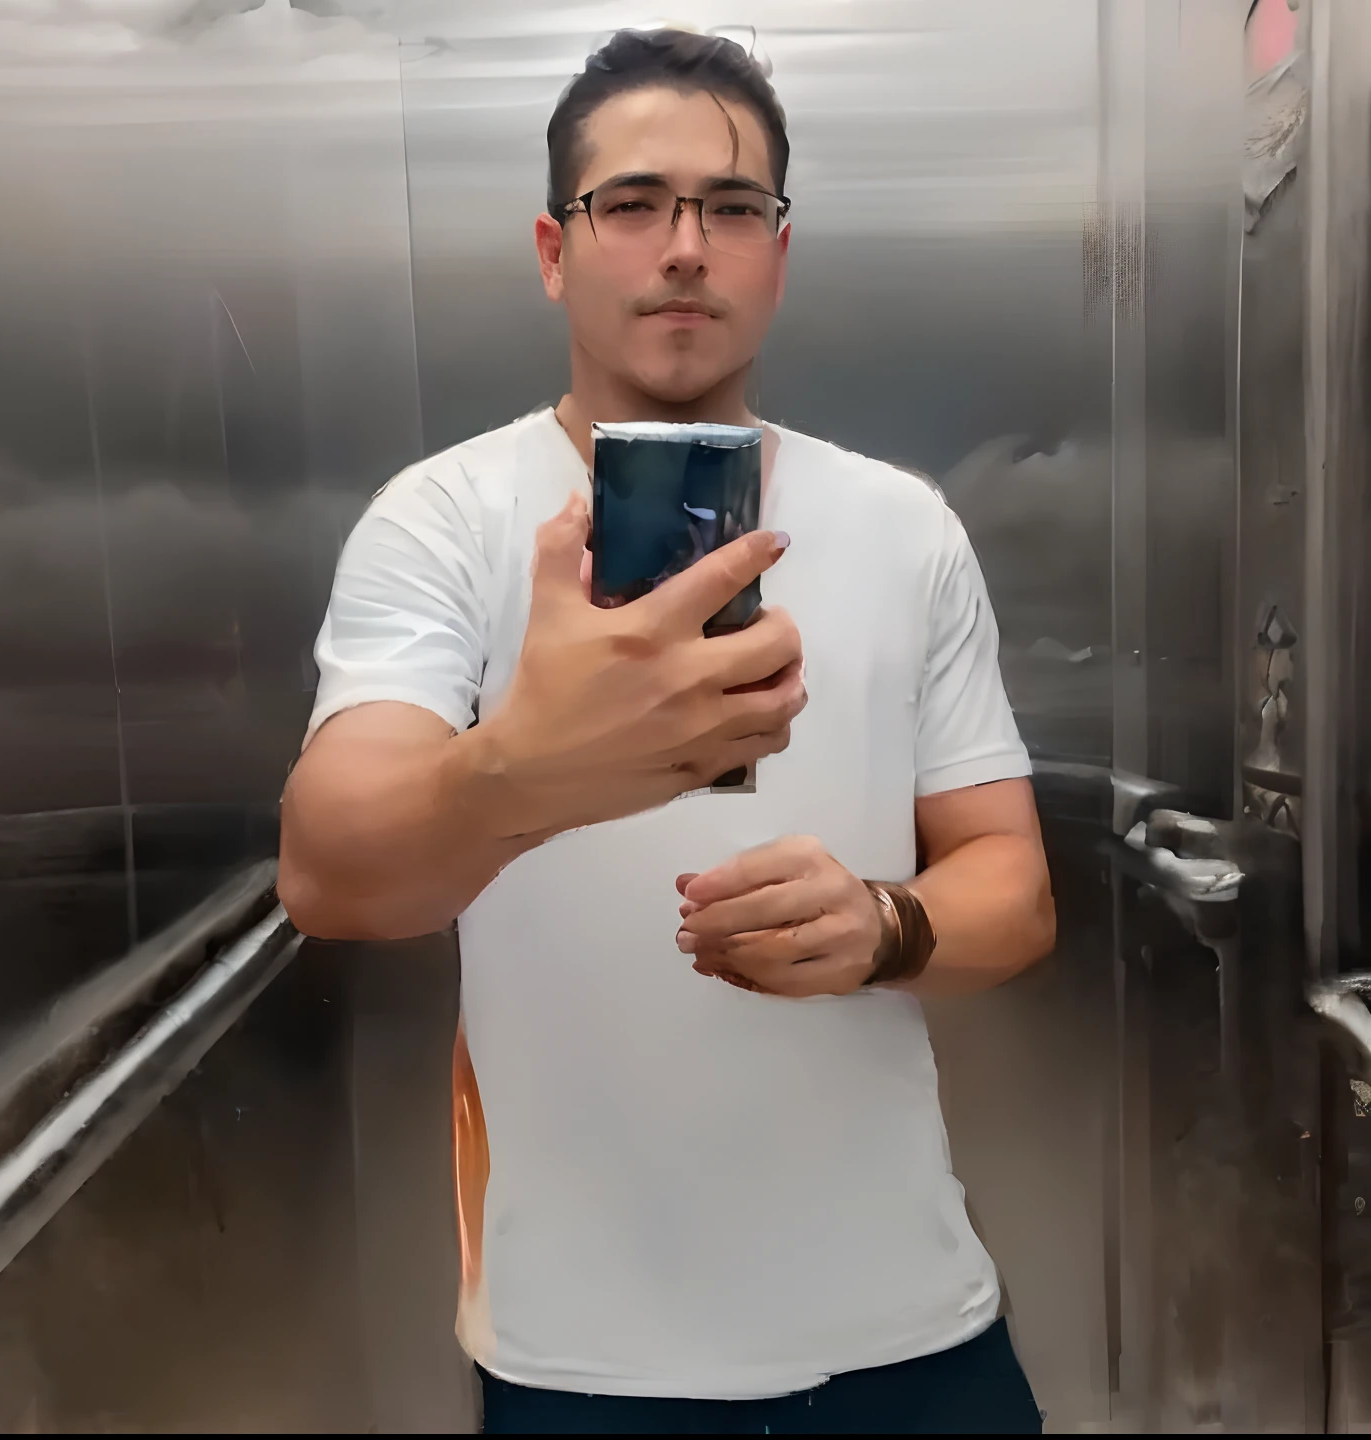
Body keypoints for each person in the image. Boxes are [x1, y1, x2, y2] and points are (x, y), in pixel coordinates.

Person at [280, 27, 1054, 1436]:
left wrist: (887, 926)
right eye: (631, 204)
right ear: (554, 249)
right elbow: (331, 876)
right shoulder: (446, 521)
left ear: (778, 252)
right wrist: (530, 764)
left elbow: (1014, 889)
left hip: (911, 1328)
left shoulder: (903, 527)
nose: (685, 247)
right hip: (586, 1360)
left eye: (731, 207)